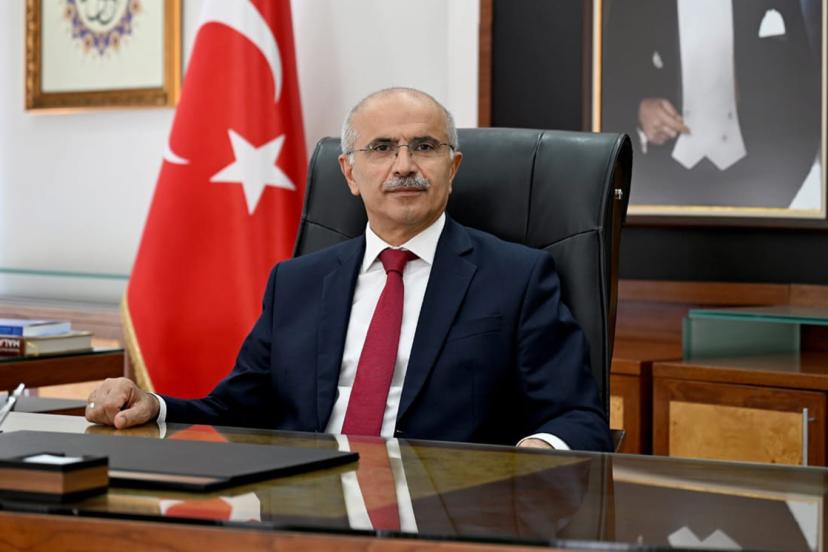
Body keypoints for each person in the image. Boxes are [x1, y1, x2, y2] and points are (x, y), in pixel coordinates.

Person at [86, 87, 612, 452]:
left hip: (446, 516)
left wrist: (533, 456)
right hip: (307, 511)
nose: (404, 165)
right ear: (350, 173)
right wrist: (154, 406)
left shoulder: (517, 277)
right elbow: (239, 408)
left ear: (452, 169)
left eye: (424, 147)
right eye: (381, 148)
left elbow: (576, 417)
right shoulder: (296, 283)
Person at [602, 0, 821, 209]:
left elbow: (805, 89)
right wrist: (638, 111)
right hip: (661, 179)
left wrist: (781, 183)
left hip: (760, 179)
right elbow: (607, 82)